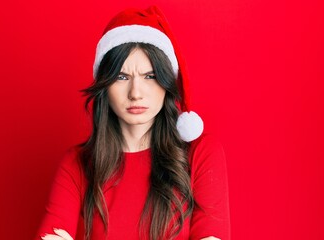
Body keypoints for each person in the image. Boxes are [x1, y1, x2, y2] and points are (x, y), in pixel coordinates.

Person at [36, 6, 230, 240]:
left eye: (150, 76)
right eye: (121, 77)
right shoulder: (77, 164)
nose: (135, 93)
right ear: (105, 86)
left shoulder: (201, 153)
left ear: (167, 82)